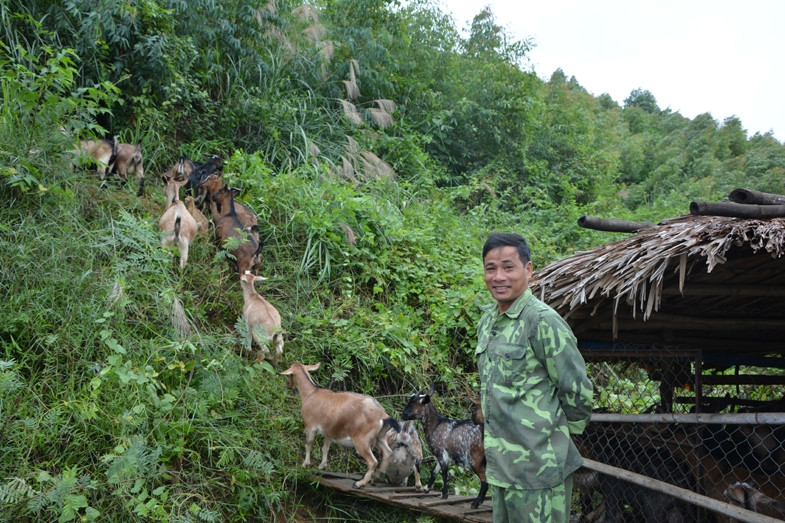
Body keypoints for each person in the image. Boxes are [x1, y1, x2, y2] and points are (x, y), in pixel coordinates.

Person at [475, 232, 593, 523]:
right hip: (501, 468)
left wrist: (551, 440)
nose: (499, 276)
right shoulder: (488, 322)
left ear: (528, 270)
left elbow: (577, 392)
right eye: (491, 268)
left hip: (539, 470)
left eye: (508, 267)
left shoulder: (542, 321)